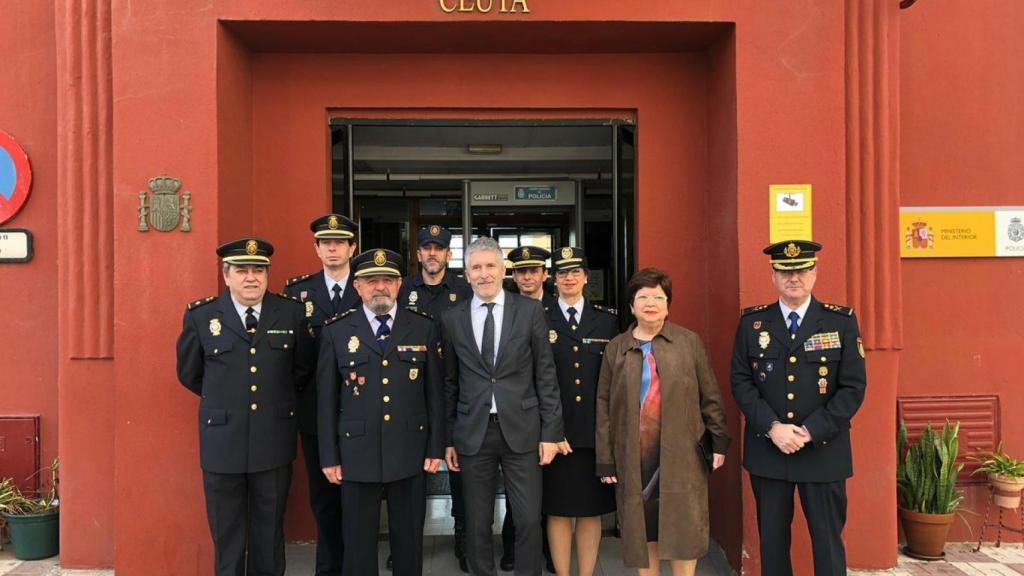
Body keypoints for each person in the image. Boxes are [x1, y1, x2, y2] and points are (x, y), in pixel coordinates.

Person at [176, 237, 315, 576]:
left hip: (273, 440)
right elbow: (190, 374)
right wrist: (228, 400)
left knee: (269, 531)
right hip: (223, 443)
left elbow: (302, 369)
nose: (251, 277)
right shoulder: (202, 315)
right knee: (227, 533)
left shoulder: (291, 312)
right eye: (242, 271)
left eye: (259, 270)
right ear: (226, 276)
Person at [729, 240, 866, 576]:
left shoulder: (840, 322)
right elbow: (741, 382)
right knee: (772, 544)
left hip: (823, 451)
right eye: (785, 271)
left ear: (815, 273)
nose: (794, 277)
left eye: (802, 270)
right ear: (774, 276)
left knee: (828, 543)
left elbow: (853, 388)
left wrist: (809, 431)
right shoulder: (752, 324)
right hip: (769, 450)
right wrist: (773, 428)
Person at [441, 236, 565, 576]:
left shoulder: (529, 311)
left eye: (490, 266)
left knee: (527, 519)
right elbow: (450, 383)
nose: (484, 274)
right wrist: (448, 438)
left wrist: (552, 433)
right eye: (476, 268)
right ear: (466, 274)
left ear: (503, 270)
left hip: (523, 431)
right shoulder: (452, 319)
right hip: (473, 434)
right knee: (477, 522)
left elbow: (546, 374)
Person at [318, 248, 445, 576]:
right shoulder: (336, 330)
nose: (380, 287)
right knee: (358, 544)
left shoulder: (423, 328)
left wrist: (435, 448)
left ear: (400, 284)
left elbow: (435, 394)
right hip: (356, 452)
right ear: (357, 286)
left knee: (409, 541)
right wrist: (329, 456)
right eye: (371, 280)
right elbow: (327, 400)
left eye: (388, 280)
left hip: (409, 449)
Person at [595, 268, 729, 576]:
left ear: (668, 305)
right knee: (644, 531)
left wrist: (718, 440)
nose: (650, 303)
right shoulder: (617, 346)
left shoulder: (687, 342)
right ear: (631, 306)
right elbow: (603, 406)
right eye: (643, 297)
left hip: (683, 455)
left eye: (658, 297)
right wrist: (606, 459)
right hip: (634, 457)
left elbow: (709, 394)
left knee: (684, 530)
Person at [283, 213, 360, 576]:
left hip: (364, 410)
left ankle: (357, 566)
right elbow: (293, 358)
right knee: (324, 497)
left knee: (359, 495)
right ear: (316, 248)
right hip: (316, 413)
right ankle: (329, 568)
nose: (333, 248)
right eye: (325, 243)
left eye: (340, 242)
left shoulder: (371, 286)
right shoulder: (298, 294)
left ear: (352, 248)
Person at [397, 224, 474, 572]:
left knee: (460, 467)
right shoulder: (402, 289)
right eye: (426, 247)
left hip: (453, 388)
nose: (432, 254)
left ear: (448, 254)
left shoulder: (463, 290)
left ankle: (463, 535)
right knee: (410, 467)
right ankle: (405, 541)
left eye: (438, 248)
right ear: (418, 254)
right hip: (410, 389)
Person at [542, 247, 617, 576]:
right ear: (553, 279)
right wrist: (548, 431)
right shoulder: (539, 317)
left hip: (593, 433)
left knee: (590, 511)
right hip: (553, 434)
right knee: (557, 510)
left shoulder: (608, 320)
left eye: (575, 272)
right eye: (562, 273)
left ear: (587, 277)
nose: (569, 278)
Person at [504, 244, 557, 572]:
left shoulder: (557, 310)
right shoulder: (504, 308)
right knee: (516, 491)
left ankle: (550, 549)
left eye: (533, 271)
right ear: (512, 275)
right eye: (521, 271)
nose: (526, 276)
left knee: (549, 489)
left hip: (547, 410)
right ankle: (512, 547)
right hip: (515, 413)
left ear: (544, 275)